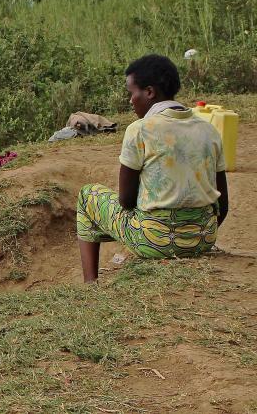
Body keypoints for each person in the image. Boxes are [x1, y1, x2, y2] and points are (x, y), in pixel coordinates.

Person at [76, 54, 229, 283]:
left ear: (149, 92)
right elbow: (223, 204)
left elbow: (126, 201)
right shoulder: (209, 131)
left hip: (153, 241)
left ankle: (90, 285)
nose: (130, 101)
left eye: (132, 93)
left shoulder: (140, 129)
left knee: (88, 196)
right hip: (203, 239)